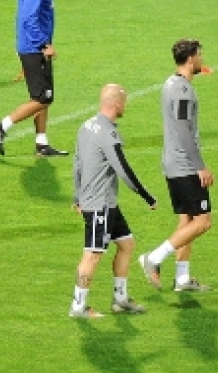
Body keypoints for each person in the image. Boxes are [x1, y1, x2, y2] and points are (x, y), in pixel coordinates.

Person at [68, 84, 157, 319]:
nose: (125, 106)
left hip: (104, 202)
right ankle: (78, 306)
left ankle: (120, 299)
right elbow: (123, 170)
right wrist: (147, 196)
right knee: (92, 254)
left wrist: (77, 196)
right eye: (124, 102)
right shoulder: (108, 134)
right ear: (117, 103)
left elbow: (77, 162)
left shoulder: (86, 125)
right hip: (99, 205)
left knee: (127, 244)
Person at [139, 39, 214, 293]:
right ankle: (153, 258)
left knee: (187, 221)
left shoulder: (171, 83)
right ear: (191, 59)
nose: (202, 59)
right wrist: (199, 166)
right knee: (203, 221)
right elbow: (183, 128)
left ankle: (182, 279)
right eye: (199, 55)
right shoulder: (182, 90)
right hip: (185, 165)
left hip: (172, 163)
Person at [0, 0, 69, 158]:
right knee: (42, 98)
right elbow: (29, 18)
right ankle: (0, 126)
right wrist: (43, 45)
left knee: (43, 96)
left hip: (32, 47)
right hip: (35, 48)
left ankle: (42, 144)